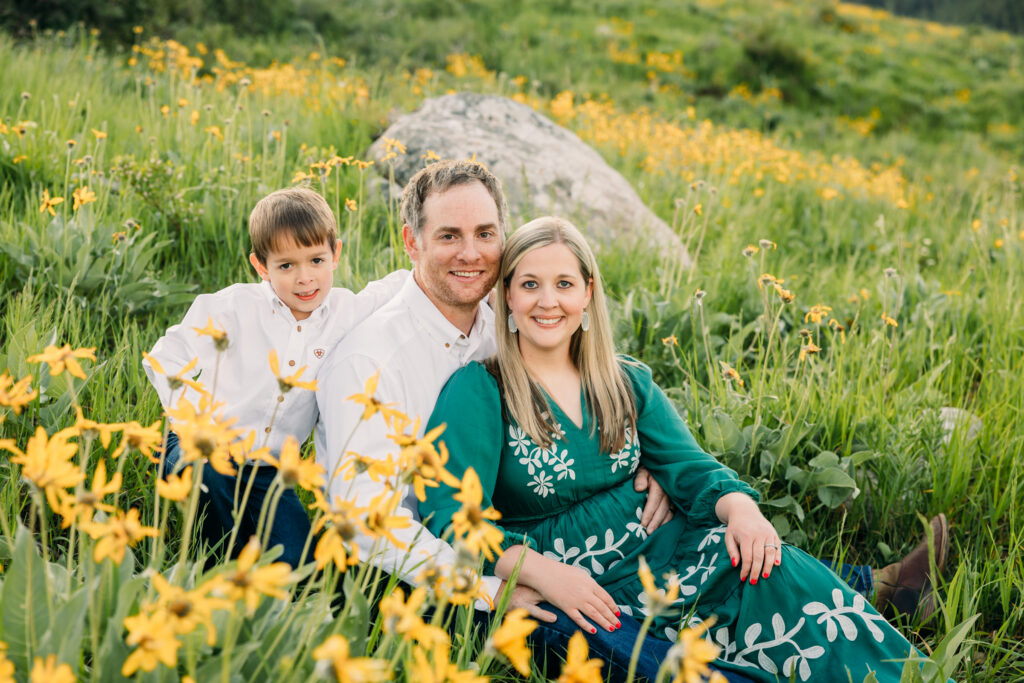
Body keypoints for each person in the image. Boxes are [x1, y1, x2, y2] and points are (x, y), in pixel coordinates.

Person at [419, 216, 950, 681]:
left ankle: (904, 653)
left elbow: (689, 466)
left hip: (674, 555)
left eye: (564, 283)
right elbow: (449, 514)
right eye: (530, 284)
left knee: (780, 571)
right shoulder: (481, 391)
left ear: (588, 292)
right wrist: (540, 570)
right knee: (675, 667)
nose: (547, 301)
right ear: (506, 295)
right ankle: (879, 592)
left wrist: (742, 510)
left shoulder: (623, 381)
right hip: (583, 594)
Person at [313, 159, 722, 682]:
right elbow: (366, 526)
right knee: (606, 633)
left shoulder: (500, 322)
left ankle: (844, 586)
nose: (471, 252)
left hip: (519, 541)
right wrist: (492, 588)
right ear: (412, 243)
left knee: (683, 570)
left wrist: (643, 465)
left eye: (485, 233)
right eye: (448, 235)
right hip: (420, 579)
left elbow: (580, 387)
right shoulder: (371, 363)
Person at [143, 187, 406, 568]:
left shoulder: (346, 312)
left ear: (336, 254)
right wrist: (192, 421)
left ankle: (258, 559)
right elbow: (165, 357)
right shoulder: (234, 307)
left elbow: (395, 289)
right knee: (215, 498)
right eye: (286, 266)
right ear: (261, 266)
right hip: (200, 447)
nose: (305, 279)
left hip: (269, 472)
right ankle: (215, 567)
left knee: (303, 566)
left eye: (316, 260)